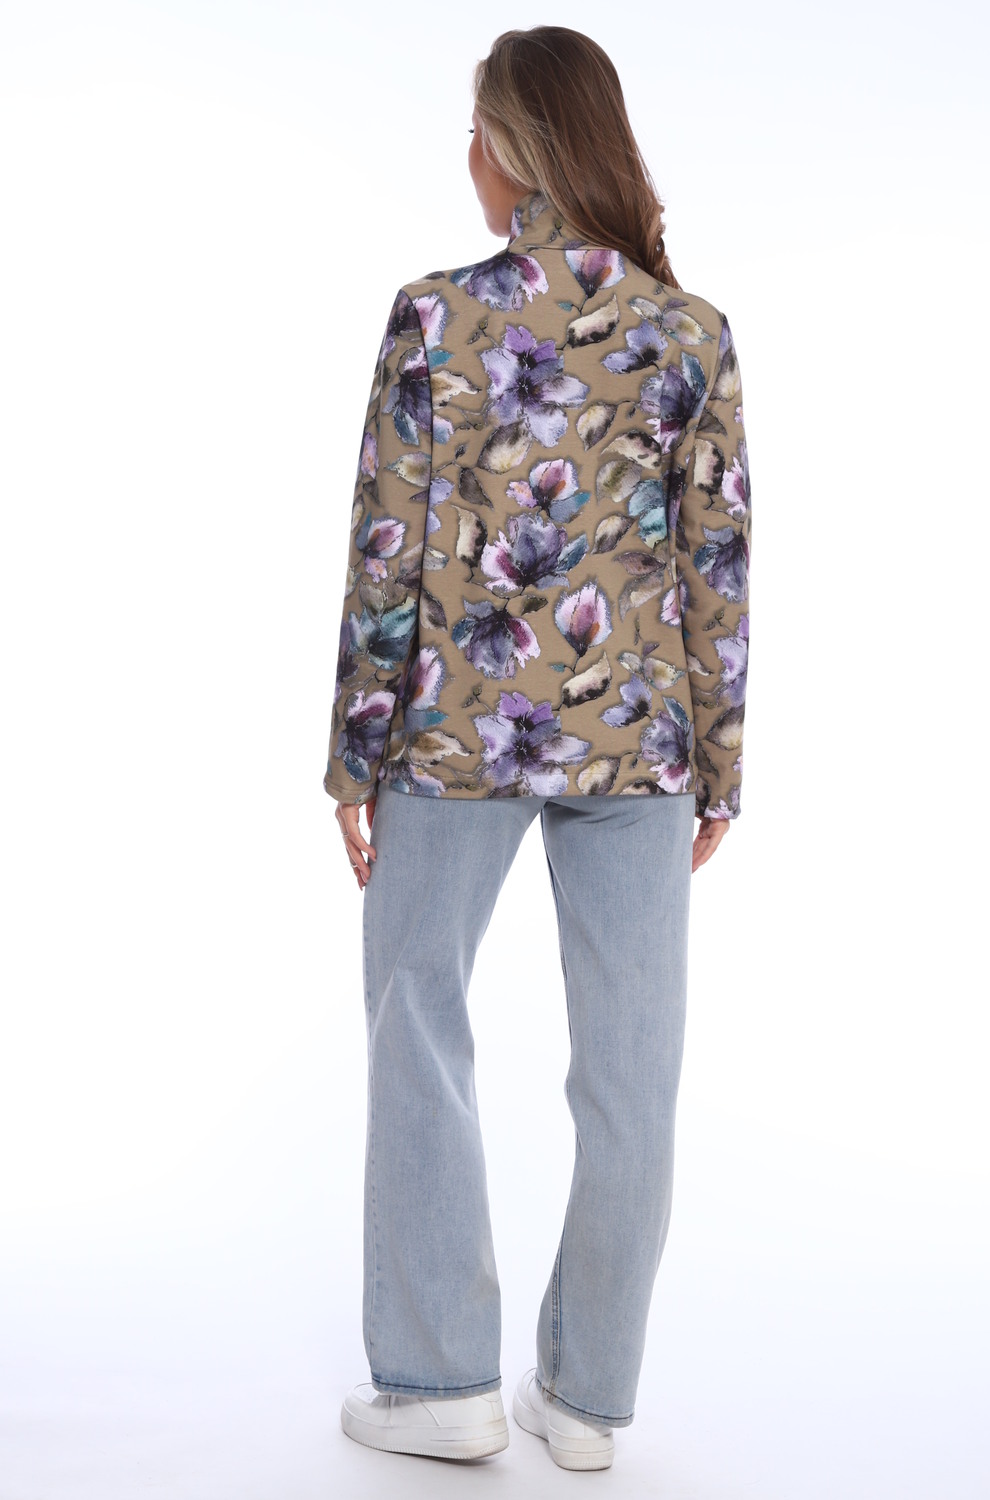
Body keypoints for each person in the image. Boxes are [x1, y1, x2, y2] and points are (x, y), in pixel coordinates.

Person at [322, 25, 751, 1472]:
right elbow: (718, 567)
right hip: (642, 739)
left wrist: (354, 754)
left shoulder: (434, 318)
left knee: (417, 1021)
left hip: (452, 731)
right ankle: (584, 1402)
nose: (468, 154)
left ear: (511, 150)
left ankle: (438, 1381)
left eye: (475, 129)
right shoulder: (690, 332)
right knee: (633, 1074)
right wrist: (721, 761)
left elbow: (386, 555)